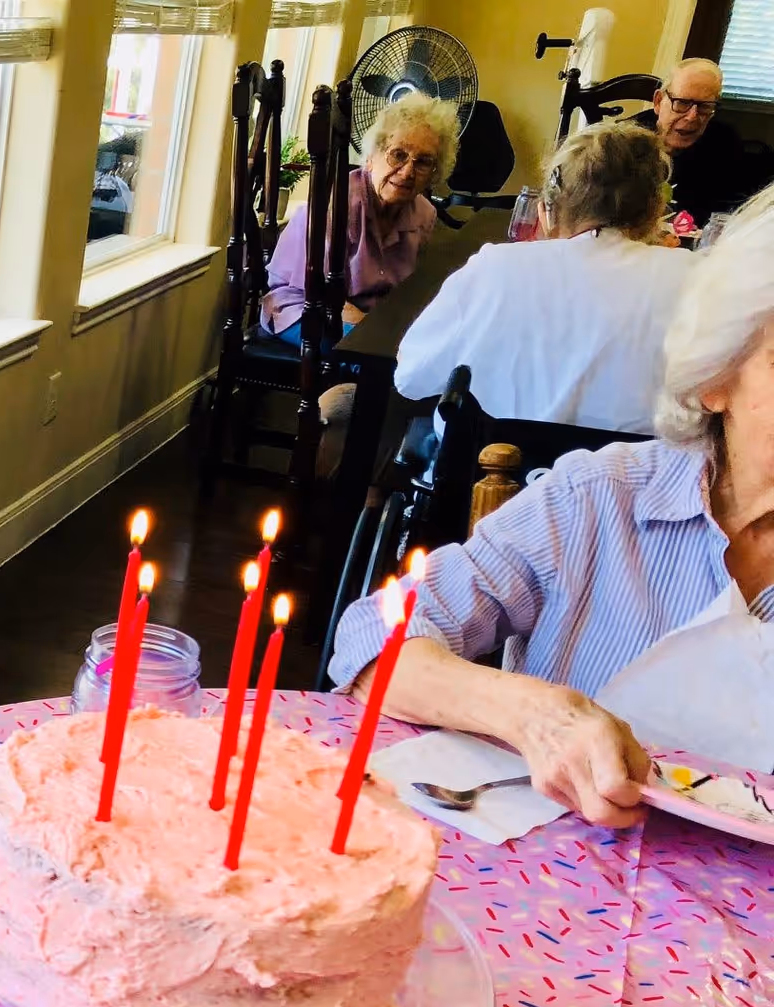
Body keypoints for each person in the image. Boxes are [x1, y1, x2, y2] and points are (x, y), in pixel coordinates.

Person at [327, 186, 774, 824]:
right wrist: (535, 715)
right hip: (557, 895)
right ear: (716, 379)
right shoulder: (601, 500)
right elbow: (375, 638)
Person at [393, 123, 692, 435]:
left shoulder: (495, 267)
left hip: (487, 475)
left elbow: (410, 378)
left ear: (548, 210)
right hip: (632, 479)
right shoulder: (692, 276)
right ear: (654, 212)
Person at [260, 92, 459, 343]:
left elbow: (410, 294)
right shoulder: (338, 205)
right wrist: (378, 331)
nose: (408, 171)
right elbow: (318, 294)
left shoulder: (423, 215)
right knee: (376, 354)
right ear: (371, 157)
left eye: (423, 162)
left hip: (371, 318)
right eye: (398, 154)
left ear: (433, 173)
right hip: (303, 307)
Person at [635, 57, 750, 228]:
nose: (692, 116)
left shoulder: (724, 143)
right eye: (682, 103)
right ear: (658, 102)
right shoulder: (626, 143)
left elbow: (728, 213)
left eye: (704, 107)